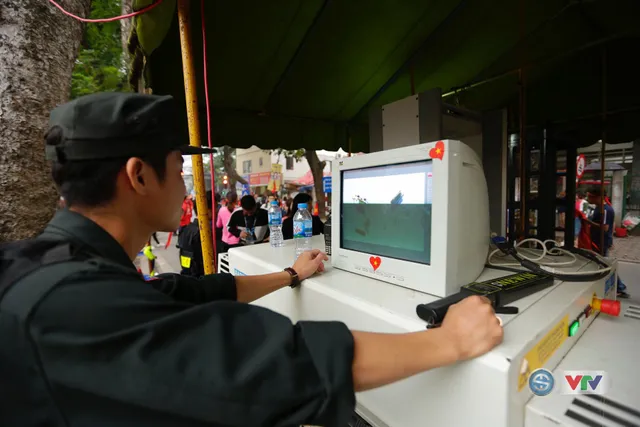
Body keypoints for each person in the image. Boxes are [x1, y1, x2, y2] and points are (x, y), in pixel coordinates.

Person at [0, 92, 503, 427]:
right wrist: (451, 340)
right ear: (138, 176)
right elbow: (275, 362)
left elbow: (185, 293)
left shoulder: (57, 267)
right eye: (179, 167)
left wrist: (289, 275)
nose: (184, 184)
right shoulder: (71, 305)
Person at [586, 187, 630, 298]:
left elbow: (605, 228)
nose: (588, 198)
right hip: (597, 240)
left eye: (590, 196)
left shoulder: (605, 210)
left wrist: (586, 221)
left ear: (598, 197)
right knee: (601, 263)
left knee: (605, 264)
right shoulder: (598, 208)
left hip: (602, 242)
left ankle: (619, 287)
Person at [177, 192, 213, 277]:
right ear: (207, 210)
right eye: (215, 208)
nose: (217, 211)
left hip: (187, 274)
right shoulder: (204, 233)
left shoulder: (185, 230)